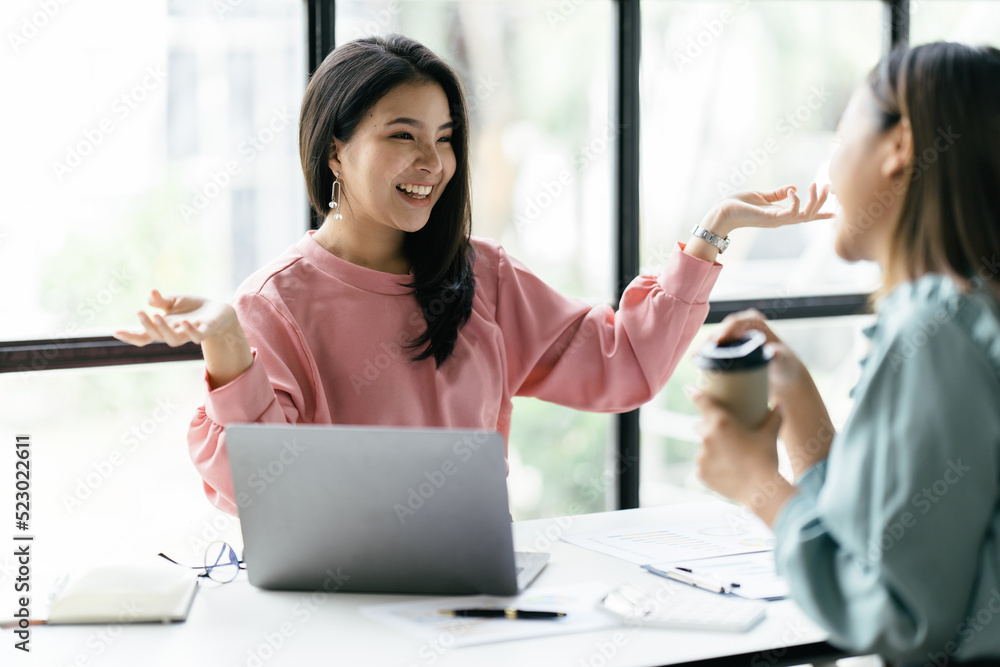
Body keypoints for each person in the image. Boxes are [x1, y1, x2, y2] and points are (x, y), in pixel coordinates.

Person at [113, 33, 830, 517]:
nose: (433, 162)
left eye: (445, 139)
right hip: (333, 616)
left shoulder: (483, 276)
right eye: (403, 137)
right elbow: (264, 491)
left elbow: (626, 367)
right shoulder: (275, 303)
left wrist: (713, 231)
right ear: (334, 151)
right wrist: (227, 346)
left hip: (475, 600)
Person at [691, 41, 1000, 665]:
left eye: (840, 136)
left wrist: (757, 485)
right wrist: (800, 403)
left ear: (901, 146)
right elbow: (901, 534)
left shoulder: (935, 322)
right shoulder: (974, 310)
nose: (828, 167)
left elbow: (897, 616)